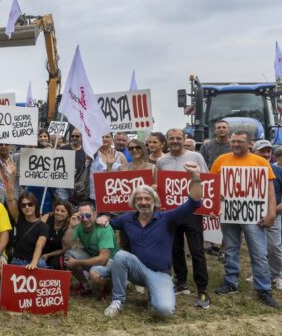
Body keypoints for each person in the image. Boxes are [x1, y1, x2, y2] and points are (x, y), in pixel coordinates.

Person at [98, 162, 204, 318]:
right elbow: (106, 225)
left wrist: (195, 177)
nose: (143, 202)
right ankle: (118, 300)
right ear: (134, 203)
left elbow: (193, 203)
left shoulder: (167, 218)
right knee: (120, 256)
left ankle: (153, 297)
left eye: (147, 198)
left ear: (155, 201)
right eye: (139, 199)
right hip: (136, 270)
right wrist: (102, 217)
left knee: (165, 311)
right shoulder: (127, 218)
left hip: (160, 274)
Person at [211, 131, 279, 308]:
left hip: (254, 216)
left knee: (258, 252)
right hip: (229, 213)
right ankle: (230, 283)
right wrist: (213, 207)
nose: (235, 145)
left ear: (249, 144)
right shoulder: (221, 160)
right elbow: (213, 185)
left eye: (240, 142)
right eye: (233, 141)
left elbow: (270, 190)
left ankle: (264, 289)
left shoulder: (261, 162)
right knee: (231, 249)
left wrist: (271, 213)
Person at [155, 128, 210, 308]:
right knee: (175, 249)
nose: (176, 141)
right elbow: (159, 185)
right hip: (171, 212)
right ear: (167, 142)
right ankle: (181, 282)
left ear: (184, 139)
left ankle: (202, 289)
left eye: (179, 138)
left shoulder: (196, 157)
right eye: (172, 138)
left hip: (192, 212)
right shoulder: (161, 161)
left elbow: (207, 180)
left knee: (197, 251)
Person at [252, 140, 282, 292]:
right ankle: (258, 274)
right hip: (251, 215)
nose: (266, 154)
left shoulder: (279, 171)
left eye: (269, 151)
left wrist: (275, 210)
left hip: (273, 215)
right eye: (262, 151)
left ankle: (275, 276)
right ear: (254, 152)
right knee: (256, 248)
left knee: (275, 247)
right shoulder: (246, 169)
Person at [63, 202, 118, 296]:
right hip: (92, 256)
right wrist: (71, 227)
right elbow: (66, 247)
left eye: (88, 215)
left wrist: (77, 262)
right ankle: (86, 286)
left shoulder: (103, 228)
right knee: (68, 256)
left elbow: (103, 260)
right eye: (81, 216)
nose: (85, 219)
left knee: (95, 273)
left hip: (111, 261)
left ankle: (109, 287)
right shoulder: (78, 224)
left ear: (95, 214)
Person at [7, 189, 49, 269]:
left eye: (30, 204)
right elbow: (10, 199)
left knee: (42, 265)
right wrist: (12, 178)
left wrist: (34, 262)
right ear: (21, 208)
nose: (27, 207)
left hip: (35, 262)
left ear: (35, 205)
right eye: (23, 205)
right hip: (17, 261)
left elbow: (39, 245)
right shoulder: (18, 219)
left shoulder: (43, 226)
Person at [90, 133, 128, 205]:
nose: (104, 139)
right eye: (102, 137)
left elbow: (126, 177)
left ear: (112, 140)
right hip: (95, 196)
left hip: (114, 196)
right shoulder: (91, 154)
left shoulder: (120, 155)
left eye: (107, 137)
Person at [58, 128, 89, 204]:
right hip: (64, 184)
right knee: (64, 206)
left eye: (77, 136)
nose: (74, 138)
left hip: (78, 186)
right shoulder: (63, 149)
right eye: (72, 136)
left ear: (82, 137)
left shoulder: (86, 151)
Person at [40, 198, 72, 270]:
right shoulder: (46, 218)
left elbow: (66, 249)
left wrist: (49, 255)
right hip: (40, 251)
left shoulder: (69, 226)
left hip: (56, 254)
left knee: (57, 265)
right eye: (57, 210)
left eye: (63, 211)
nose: (59, 213)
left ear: (68, 214)